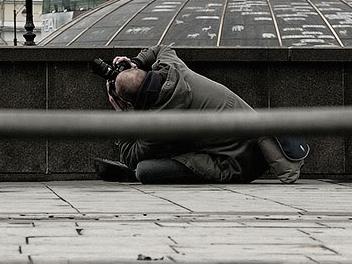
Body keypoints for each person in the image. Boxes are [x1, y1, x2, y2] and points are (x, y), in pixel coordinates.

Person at [94, 44, 270, 184]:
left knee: (144, 170)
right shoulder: (173, 68)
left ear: (130, 102)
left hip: (238, 164)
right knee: (168, 144)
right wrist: (136, 63)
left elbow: (130, 158)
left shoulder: (159, 124)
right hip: (256, 146)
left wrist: (123, 115)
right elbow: (161, 48)